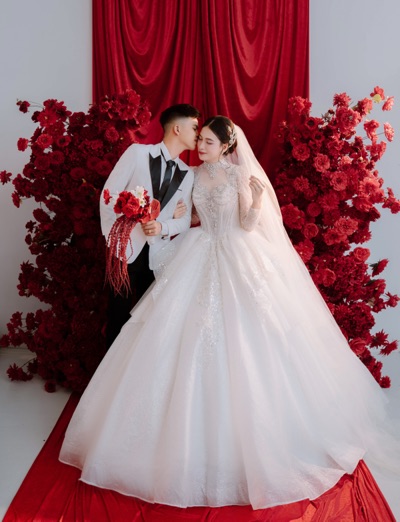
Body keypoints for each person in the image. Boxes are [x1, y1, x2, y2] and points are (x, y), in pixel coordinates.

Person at [60, 116, 399, 511]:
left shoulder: (239, 176)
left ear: (226, 146)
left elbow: (249, 224)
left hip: (236, 253)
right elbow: (187, 218)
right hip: (198, 250)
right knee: (174, 331)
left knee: (247, 337)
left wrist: (255, 201)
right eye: (200, 139)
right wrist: (165, 222)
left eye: (208, 141)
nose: (200, 146)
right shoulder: (191, 176)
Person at [100, 103, 200, 348]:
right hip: (125, 249)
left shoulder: (187, 174)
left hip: (159, 255)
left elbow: (183, 221)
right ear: (177, 129)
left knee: (148, 323)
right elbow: (108, 196)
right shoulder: (137, 153)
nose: (198, 134)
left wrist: (162, 227)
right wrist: (117, 235)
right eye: (194, 127)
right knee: (117, 317)